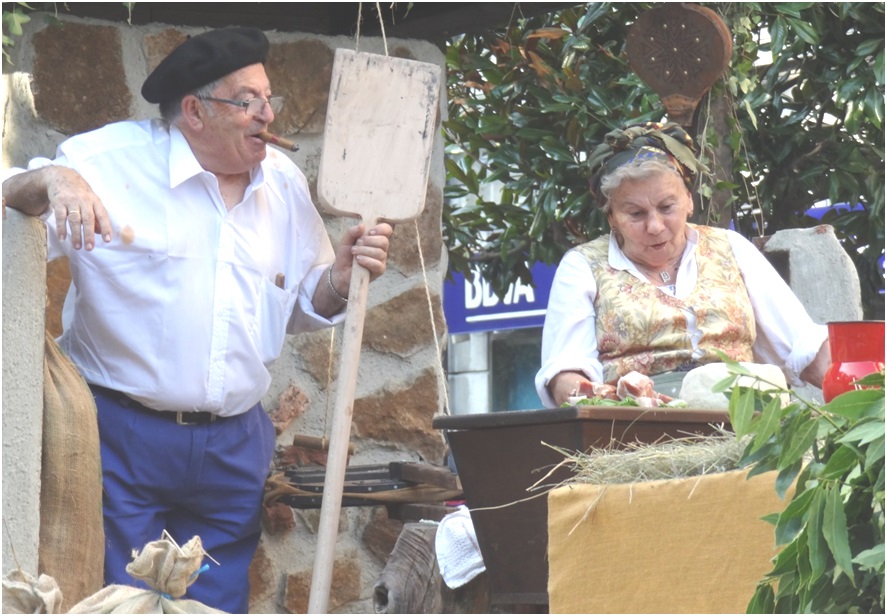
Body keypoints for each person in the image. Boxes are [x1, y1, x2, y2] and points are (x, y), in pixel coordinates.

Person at [2, 27, 392, 613]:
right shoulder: (107, 162)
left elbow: (306, 303)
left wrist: (339, 278)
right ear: (194, 111)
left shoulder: (283, 185)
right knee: (120, 601)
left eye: (270, 99)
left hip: (233, 442)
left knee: (214, 604)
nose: (268, 114)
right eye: (248, 101)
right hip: (120, 436)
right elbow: (10, 196)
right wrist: (53, 179)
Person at [535, 122, 830, 408]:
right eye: (635, 213)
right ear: (611, 216)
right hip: (638, 428)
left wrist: (864, 402)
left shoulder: (731, 247)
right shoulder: (584, 266)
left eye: (667, 207)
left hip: (748, 420)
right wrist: (603, 398)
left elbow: (804, 347)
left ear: (689, 200)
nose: (654, 226)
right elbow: (565, 371)